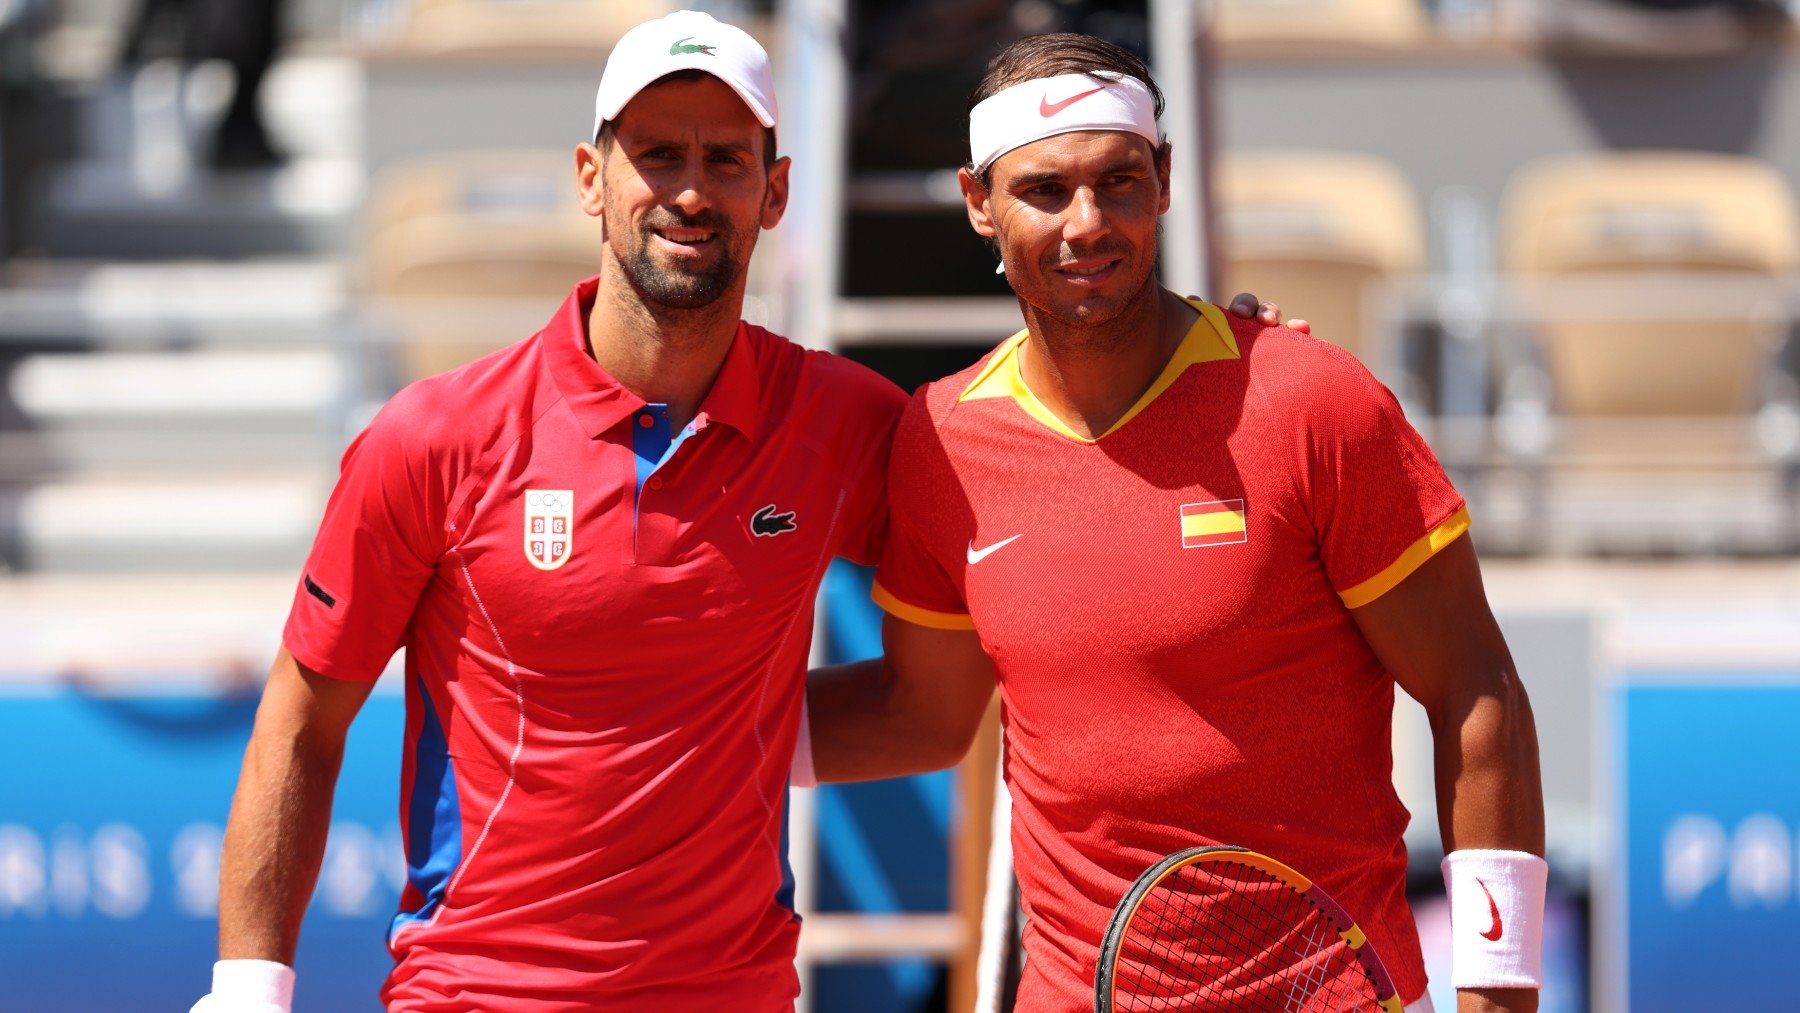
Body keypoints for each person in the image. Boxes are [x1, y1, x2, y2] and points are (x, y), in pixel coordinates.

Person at [192, 12, 1286, 1011]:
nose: (690, 189)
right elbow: (300, 721)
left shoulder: (847, 419)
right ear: (591, 178)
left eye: (726, 159)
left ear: (775, 192)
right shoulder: (432, 438)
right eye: (657, 155)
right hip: (480, 991)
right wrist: (248, 989)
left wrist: (1193, 370)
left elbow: (965, 645)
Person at [805, 34, 1547, 1013]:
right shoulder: (940, 439)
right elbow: (920, 712)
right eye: (1044, 191)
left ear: (1163, 182)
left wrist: (1502, 993)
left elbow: (1475, 688)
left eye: (1118, 181)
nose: (1087, 222)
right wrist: (651, 727)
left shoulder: (1310, 401)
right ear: (979, 203)